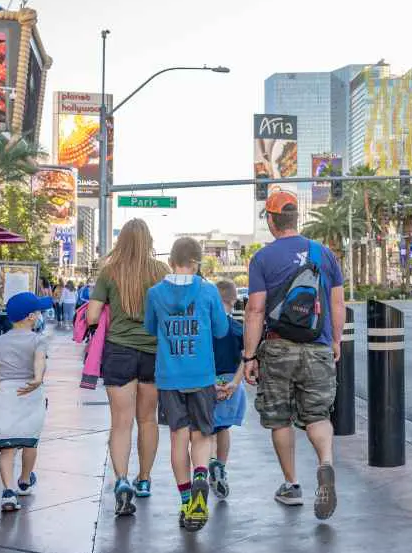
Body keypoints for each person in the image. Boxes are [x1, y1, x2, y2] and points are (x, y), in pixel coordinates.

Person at [243, 190, 345, 521]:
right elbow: (337, 304)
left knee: (280, 418)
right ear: (295, 219)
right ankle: (325, 464)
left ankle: (292, 484)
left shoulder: (262, 258)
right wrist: (336, 341)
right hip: (318, 345)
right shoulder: (324, 254)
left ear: (272, 220)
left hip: (277, 346)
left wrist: (249, 356)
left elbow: (256, 310)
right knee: (317, 414)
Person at [144, 237, 228, 532]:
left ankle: (185, 502)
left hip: (169, 378)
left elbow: (150, 328)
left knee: (178, 439)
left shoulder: (155, 293)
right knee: (202, 435)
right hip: (202, 376)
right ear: (196, 262)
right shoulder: (208, 291)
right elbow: (221, 330)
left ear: (171, 261)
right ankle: (202, 476)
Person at [87, 219, 169, 517]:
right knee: (147, 420)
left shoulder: (110, 272)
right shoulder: (161, 272)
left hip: (118, 351)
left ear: (121, 241)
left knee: (121, 422)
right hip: (153, 352)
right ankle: (144, 480)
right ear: (148, 241)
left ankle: (121, 480)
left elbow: (93, 316)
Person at [0, 291, 51, 512]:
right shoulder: (37, 339)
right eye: (39, 311)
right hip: (30, 394)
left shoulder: (1, 340)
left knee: (7, 447)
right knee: (29, 441)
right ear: (31, 316)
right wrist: (37, 379)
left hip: (7, 394)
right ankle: (24, 480)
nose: (41, 314)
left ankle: (8, 492)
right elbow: (39, 360)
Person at [210, 279, 247, 499]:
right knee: (223, 429)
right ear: (234, 301)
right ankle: (221, 466)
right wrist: (235, 381)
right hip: (231, 382)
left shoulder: (206, 328)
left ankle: (208, 464)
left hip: (208, 382)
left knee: (205, 430)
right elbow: (246, 358)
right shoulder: (237, 327)